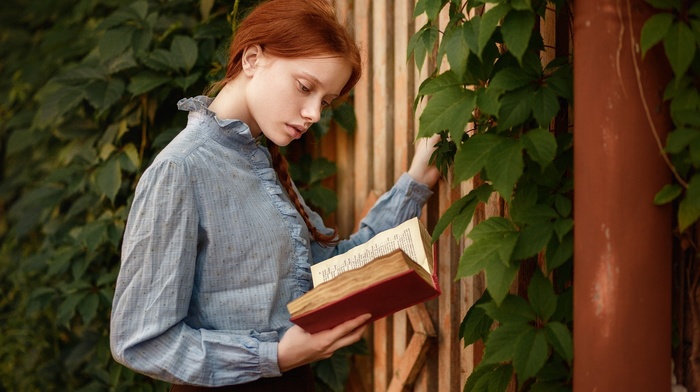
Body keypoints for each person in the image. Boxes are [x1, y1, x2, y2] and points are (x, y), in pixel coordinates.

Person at [109, 0, 441, 390]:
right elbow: (140, 340)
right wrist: (276, 356)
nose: (315, 113)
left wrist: (418, 178)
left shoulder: (261, 162)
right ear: (252, 58)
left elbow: (330, 269)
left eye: (325, 101)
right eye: (305, 87)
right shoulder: (180, 170)